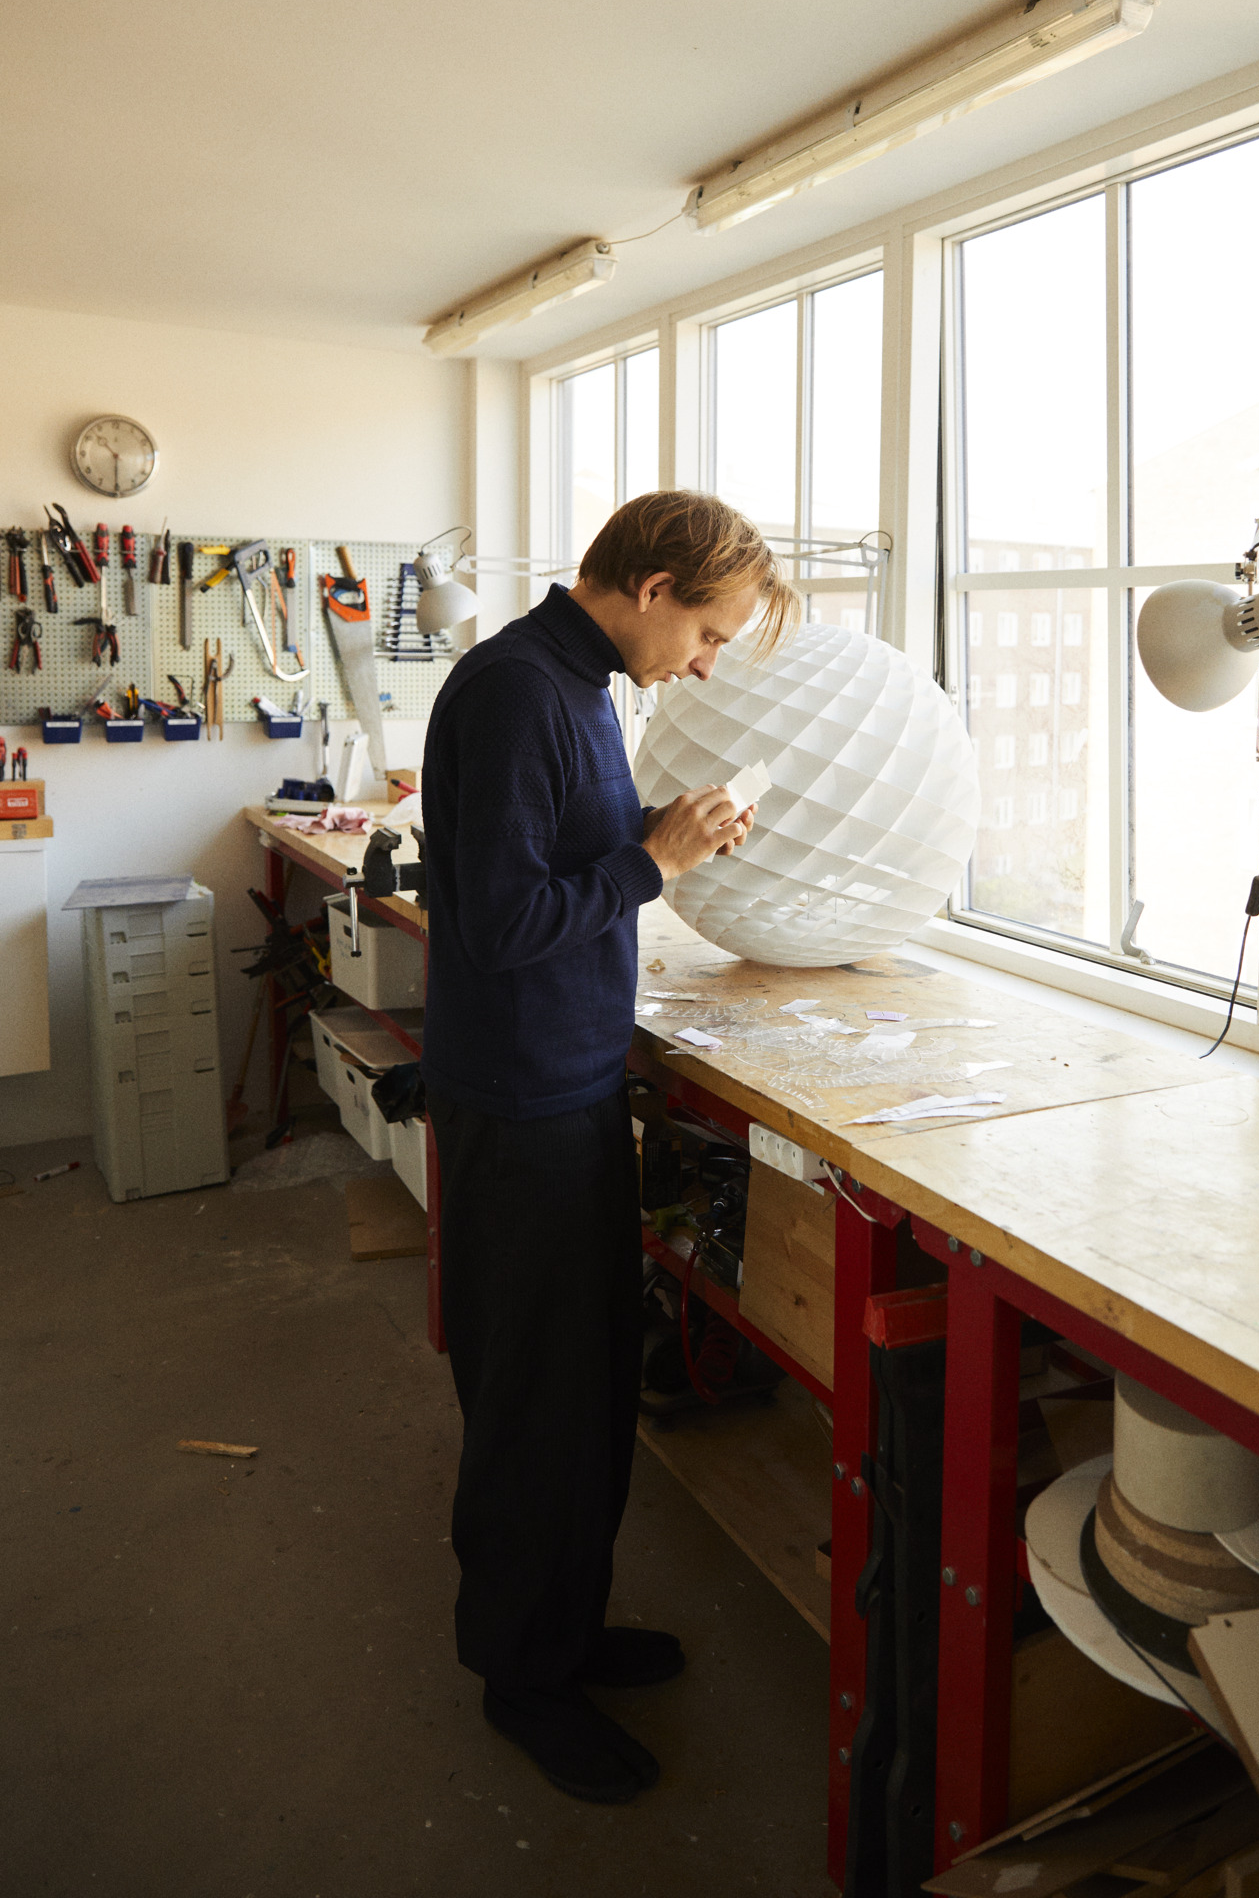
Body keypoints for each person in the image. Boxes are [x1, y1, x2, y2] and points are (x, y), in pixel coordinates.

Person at [420, 490, 798, 1805]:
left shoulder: (583, 691)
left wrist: (660, 847)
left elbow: (568, 871)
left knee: (583, 1393)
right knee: (531, 1405)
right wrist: (656, 858)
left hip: (570, 1086)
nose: (702, 660)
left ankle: (564, 1637)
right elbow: (505, 925)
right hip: (520, 1105)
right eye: (703, 631)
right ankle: (521, 1678)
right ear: (645, 586)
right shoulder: (517, 689)